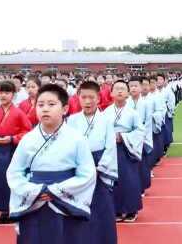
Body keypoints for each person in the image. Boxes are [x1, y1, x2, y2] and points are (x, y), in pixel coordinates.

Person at [7, 84, 96, 243]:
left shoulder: (77, 139)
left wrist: (56, 191)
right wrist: (34, 190)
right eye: (40, 105)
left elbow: (87, 174)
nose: (45, 109)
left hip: (65, 202)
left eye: (51, 104)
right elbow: (14, 173)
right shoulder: (28, 139)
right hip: (34, 199)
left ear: (65, 109)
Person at [66, 80, 118, 244]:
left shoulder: (106, 120)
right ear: (78, 98)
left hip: (100, 168)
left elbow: (110, 147)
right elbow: (67, 146)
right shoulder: (71, 120)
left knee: (101, 209)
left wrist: (99, 167)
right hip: (78, 167)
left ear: (98, 99)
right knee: (78, 208)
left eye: (91, 97)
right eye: (84, 97)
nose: (87, 101)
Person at [0, 80, 32, 224]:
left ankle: (14, 208)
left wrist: (12, 138)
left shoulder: (18, 113)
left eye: (7, 92)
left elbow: (27, 132)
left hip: (13, 151)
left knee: (13, 179)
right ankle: (4, 210)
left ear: (13, 94)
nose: (3, 95)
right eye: (1, 92)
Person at [103, 80, 145, 222]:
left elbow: (140, 131)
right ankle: (116, 209)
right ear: (111, 93)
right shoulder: (105, 112)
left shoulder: (133, 113)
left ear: (127, 93)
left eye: (123, 89)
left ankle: (131, 209)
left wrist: (123, 137)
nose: (120, 91)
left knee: (129, 179)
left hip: (127, 148)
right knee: (112, 179)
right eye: (117, 89)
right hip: (110, 148)